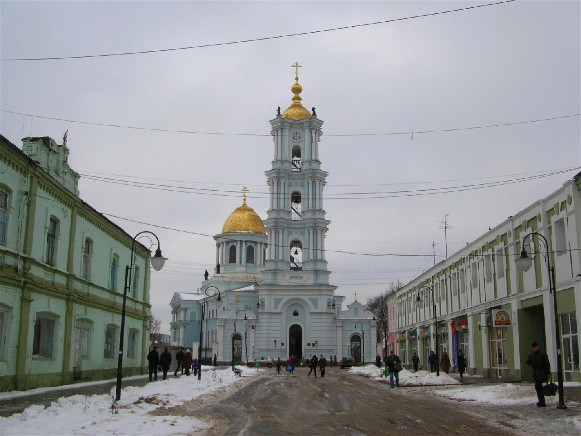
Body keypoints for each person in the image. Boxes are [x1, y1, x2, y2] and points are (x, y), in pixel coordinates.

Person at [527, 341, 550, 407]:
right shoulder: (532, 355)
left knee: (538, 387)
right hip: (536, 373)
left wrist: (548, 372)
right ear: (533, 348)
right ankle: (541, 401)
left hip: (542, 372)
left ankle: (542, 402)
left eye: (537, 346)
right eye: (534, 347)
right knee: (538, 387)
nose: (536, 348)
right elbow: (529, 362)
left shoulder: (542, 354)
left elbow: (547, 363)